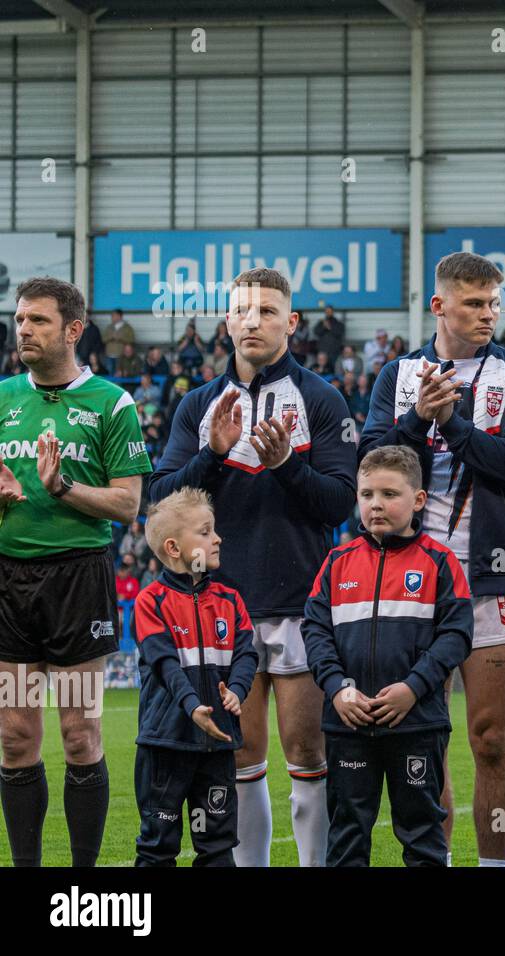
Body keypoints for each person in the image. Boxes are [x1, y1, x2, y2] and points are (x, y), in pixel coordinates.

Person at [149, 267, 359, 868]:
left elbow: (341, 502)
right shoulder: (196, 405)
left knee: (307, 753)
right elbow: (162, 501)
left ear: (291, 322)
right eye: (242, 310)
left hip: (300, 601)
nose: (252, 320)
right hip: (221, 607)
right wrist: (213, 456)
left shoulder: (321, 399)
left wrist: (288, 464)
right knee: (241, 758)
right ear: (226, 323)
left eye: (267, 310)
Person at [361, 251, 505, 868]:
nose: (488, 313)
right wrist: (417, 418)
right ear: (439, 306)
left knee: (490, 739)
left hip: (494, 576)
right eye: (474, 303)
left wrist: (455, 423)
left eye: (494, 302)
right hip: (415, 581)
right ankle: (431, 861)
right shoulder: (397, 375)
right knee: (423, 739)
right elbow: (373, 467)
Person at [0, 277, 151, 867]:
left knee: (81, 736)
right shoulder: (4, 398)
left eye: (37, 320)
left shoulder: (111, 403)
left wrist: (62, 487)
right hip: (11, 584)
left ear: (72, 330)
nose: (24, 331)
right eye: (19, 320)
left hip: (77, 583)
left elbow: (127, 505)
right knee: (14, 738)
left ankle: (83, 886)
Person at [303, 445, 473, 866]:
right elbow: (315, 631)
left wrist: (412, 689)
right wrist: (339, 689)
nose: (376, 504)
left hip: (416, 723)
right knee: (347, 835)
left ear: (418, 500)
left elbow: (456, 634)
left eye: (389, 494)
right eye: (366, 495)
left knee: (421, 836)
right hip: (348, 723)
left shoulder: (440, 561)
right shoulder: (337, 562)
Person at [132, 487, 257, 866]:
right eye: (205, 532)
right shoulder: (150, 602)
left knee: (218, 847)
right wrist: (192, 707)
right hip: (165, 746)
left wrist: (237, 690)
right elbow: (165, 664)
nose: (216, 538)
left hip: (217, 746)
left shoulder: (231, 601)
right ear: (174, 548)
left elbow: (247, 655)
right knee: (158, 848)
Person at [102, 309, 134, 374]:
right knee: (109, 373)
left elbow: (132, 339)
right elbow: (103, 339)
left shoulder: (127, 327)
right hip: (109, 355)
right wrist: (110, 337)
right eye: (112, 316)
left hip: (121, 355)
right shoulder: (109, 327)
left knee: (119, 373)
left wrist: (121, 338)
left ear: (119, 316)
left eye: (114, 316)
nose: (112, 317)